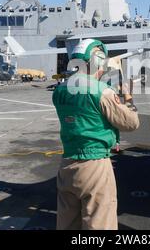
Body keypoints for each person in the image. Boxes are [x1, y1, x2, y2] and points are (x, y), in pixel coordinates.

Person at [53, 39, 139, 230]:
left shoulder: (59, 91)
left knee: (67, 223)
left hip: (67, 164)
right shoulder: (102, 92)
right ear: (97, 61)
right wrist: (127, 96)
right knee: (99, 223)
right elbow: (132, 123)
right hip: (95, 166)